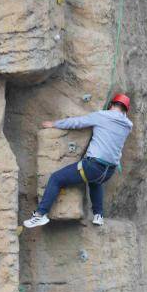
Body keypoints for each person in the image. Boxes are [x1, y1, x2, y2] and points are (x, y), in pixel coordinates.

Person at [23, 94, 132, 229]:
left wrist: (54, 124)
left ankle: (40, 215)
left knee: (56, 178)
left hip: (93, 166)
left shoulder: (102, 116)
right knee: (95, 182)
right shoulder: (128, 125)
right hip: (109, 171)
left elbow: (78, 122)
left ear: (111, 104)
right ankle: (99, 215)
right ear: (126, 111)